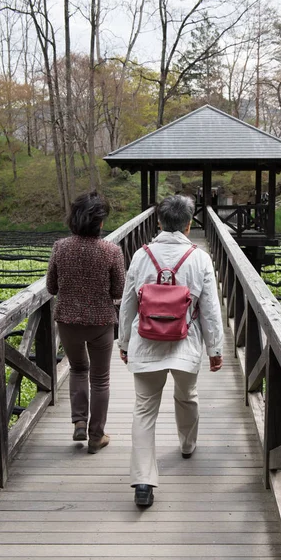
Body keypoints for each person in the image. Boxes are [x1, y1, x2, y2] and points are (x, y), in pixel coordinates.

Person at [118, 194, 224, 507]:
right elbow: (210, 309)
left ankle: (143, 480)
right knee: (187, 396)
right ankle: (188, 443)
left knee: (144, 409)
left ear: (160, 222)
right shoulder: (200, 257)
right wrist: (215, 348)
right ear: (189, 225)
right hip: (185, 342)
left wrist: (124, 342)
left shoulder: (141, 255)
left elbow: (128, 304)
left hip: (146, 343)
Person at [46, 190, 125, 454]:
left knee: (78, 369)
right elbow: (118, 291)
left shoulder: (60, 247)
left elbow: (51, 287)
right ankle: (96, 436)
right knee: (100, 378)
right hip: (101, 322)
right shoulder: (111, 251)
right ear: (100, 222)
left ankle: (79, 421)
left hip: (67, 321)